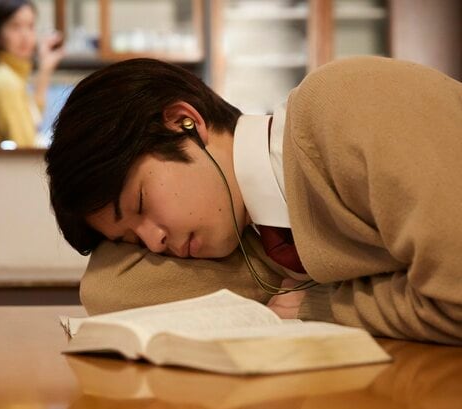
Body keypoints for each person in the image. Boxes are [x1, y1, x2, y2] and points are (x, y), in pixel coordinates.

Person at [45, 55, 462, 345]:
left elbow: (454, 300)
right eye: (132, 241)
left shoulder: (338, 107)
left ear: (184, 122)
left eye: (140, 204)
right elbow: (109, 291)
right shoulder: (265, 242)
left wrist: (322, 306)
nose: (154, 242)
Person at [0, 0, 64, 147]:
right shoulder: (3, 82)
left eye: (31, 26)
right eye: (15, 26)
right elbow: (26, 146)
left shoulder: (4, 76)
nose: (25, 36)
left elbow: (31, 118)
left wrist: (45, 69)